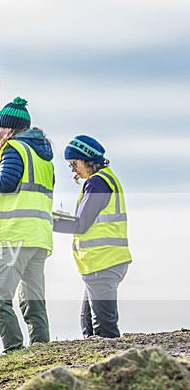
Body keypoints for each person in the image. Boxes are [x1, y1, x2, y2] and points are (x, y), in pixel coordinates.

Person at [0, 98, 54, 354]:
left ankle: (13, 350)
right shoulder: (43, 156)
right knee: (33, 299)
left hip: (16, 235)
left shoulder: (14, 148)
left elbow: (6, 183)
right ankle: (40, 348)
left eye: (0, 129)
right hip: (39, 236)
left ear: (10, 129)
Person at [53, 135, 131, 338]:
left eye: (73, 163)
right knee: (87, 323)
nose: (72, 169)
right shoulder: (105, 180)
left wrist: (47, 222)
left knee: (104, 328)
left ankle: (116, 366)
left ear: (87, 160)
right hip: (105, 263)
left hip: (103, 262)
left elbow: (81, 224)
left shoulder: (97, 184)